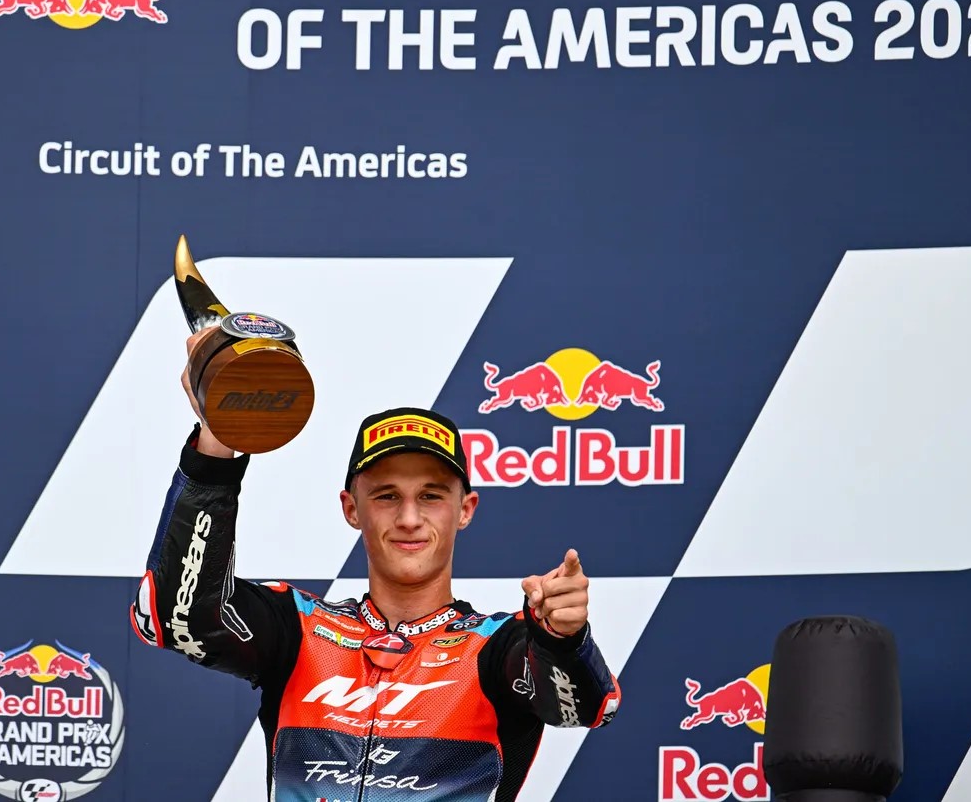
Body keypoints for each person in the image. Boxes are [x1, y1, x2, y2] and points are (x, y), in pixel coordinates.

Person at [130, 329, 623, 801]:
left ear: (465, 509)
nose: (408, 518)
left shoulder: (499, 649)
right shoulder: (297, 630)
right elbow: (173, 615)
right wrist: (218, 439)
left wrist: (561, 640)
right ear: (351, 508)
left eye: (430, 496)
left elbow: (582, 708)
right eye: (386, 496)